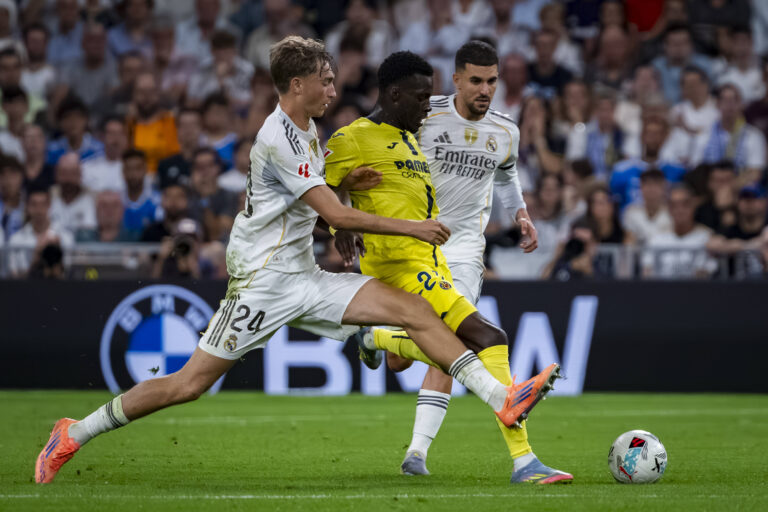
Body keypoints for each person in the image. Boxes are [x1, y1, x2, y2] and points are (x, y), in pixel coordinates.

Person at [35, 35, 557, 484]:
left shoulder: (307, 129)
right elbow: (333, 213)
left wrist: (346, 186)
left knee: (415, 311)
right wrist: (410, 226)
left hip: (304, 276)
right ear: (297, 84)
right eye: (325, 82)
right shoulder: (279, 136)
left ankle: (501, 397)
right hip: (262, 283)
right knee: (187, 385)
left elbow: (319, 199)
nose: (334, 90)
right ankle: (74, 432)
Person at [333, 41, 571, 484]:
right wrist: (348, 206)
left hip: (461, 248)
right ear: (457, 79)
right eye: (477, 80)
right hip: (410, 241)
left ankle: (438, 454)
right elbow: (370, 156)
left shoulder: (505, 130)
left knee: (456, 343)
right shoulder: (423, 114)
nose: (485, 90)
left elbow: (506, 173)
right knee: (415, 356)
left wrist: (520, 212)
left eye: (493, 81)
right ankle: (382, 338)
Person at [701, 84, 767, 182]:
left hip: (741, 190)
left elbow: (755, 173)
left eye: (735, 100)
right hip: (709, 186)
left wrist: (732, 186)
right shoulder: (704, 134)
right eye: (726, 101)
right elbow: (697, 168)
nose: (730, 105)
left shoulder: (754, 136)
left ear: (741, 104)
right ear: (717, 104)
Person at [644, 185, 714, 278]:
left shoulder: (706, 238)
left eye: (685, 204)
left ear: (693, 206)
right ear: (668, 209)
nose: (679, 210)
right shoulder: (656, 239)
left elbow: (705, 274)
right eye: (674, 205)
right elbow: (647, 272)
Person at [126, 71, 180, 174]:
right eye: (141, 92)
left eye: (151, 91)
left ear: (158, 93)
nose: (146, 97)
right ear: (133, 94)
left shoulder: (172, 122)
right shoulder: (127, 125)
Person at [49, 152, 97, 234]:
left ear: (80, 174)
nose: (68, 178)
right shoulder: (48, 198)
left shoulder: (94, 199)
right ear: (56, 174)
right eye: (64, 173)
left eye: (73, 173)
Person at [621, 168, 672, 245]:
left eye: (655, 184)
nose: (651, 189)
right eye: (647, 184)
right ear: (640, 187)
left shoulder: (672, 213)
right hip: (640, 255)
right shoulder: (631, 212)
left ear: (663, 187)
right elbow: (629, 243)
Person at [157, 107, 202, 189]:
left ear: (201, 128)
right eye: (184, 125)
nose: (188, 130)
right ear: (177, 130)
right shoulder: (165, 165)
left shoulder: (211, 163)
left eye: (193, 125)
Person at [81, 116, 128, 193]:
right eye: (112, 133)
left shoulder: (133, 169)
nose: (116, 139)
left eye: (120, 133)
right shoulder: (87, 168)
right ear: (102, 137)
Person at [121, 148, 160, 240]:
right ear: (123, 171)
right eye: (129, 169)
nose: (133, 174)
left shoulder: (157, 201)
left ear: (145, 169)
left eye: (137, 168)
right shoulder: (117, 200)